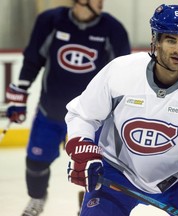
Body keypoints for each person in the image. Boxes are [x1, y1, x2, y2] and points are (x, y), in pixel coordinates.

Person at [64, 4, 178, 216]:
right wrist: (81, 145)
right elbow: (83, 114)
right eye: (171, 40)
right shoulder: (121, 72)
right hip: (117, 172)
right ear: (155, 41)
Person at [5, 0, 130, 215]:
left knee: (92, 170)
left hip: (92, 119)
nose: (101, 3)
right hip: (50, 113)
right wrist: (20, 94)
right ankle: (37, 198)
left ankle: (88, 207)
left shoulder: (113, 29)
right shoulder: (51, 21)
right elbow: (33, 59)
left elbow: (123, 75)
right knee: (35, 163)